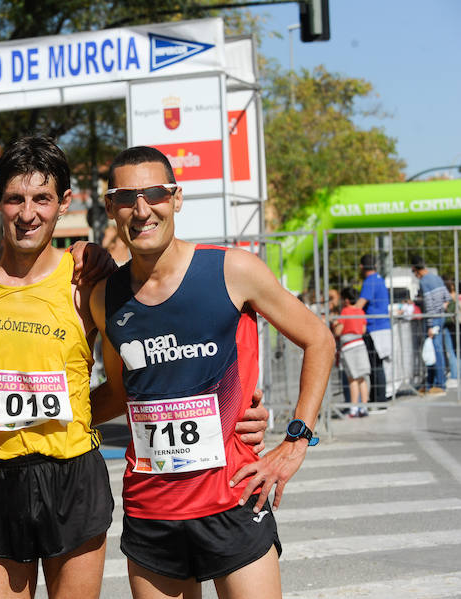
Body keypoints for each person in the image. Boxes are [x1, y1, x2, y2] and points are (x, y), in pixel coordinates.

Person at [0, 137, 270, 599]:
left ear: (64, 204)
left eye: (42, 199)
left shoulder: (87, 285)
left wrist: (238, 408)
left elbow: (127, 385)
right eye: (15, 199)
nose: (27, 213)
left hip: (73, 475)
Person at [90, 146, 334, 599]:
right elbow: (121, 392)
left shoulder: (231, 269)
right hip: (151, 511)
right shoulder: (106, 297)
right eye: (126, 197)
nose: (142, 209)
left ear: (176, 199)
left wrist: (296, 441)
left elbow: (318, 339)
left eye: (155, 193)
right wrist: (46, 419)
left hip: (234, 501)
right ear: (110, 207)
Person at [412, 256, 452, 394]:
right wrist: (441, 311)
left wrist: (430, 324)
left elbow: (428, 304)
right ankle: (430, 384)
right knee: (433, 351)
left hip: (432, 320)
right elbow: (447, 298)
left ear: (417, 270)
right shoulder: (437, 278)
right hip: (439, 318)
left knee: (434, 351)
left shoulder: (424, 281)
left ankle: (439, 384)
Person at [353, 254, 390, 403]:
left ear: (362, 267)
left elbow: (360, 305)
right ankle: (378, 399)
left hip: (374, 329)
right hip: (382, 327)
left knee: (375, 366)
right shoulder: (379, 279)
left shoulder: (369, 282)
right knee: (377, 364)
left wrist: (346, 312)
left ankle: (379, 402)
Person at [333, 287, 370, 417]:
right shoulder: (360, 311)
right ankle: (364, 407)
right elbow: (364, 329)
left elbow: (338, 331)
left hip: (348, 346)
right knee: (362, 377)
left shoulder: (345, 311)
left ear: (347, 300)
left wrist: (335, 325)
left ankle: (354, 408)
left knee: (352, 378)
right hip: (360, 343)